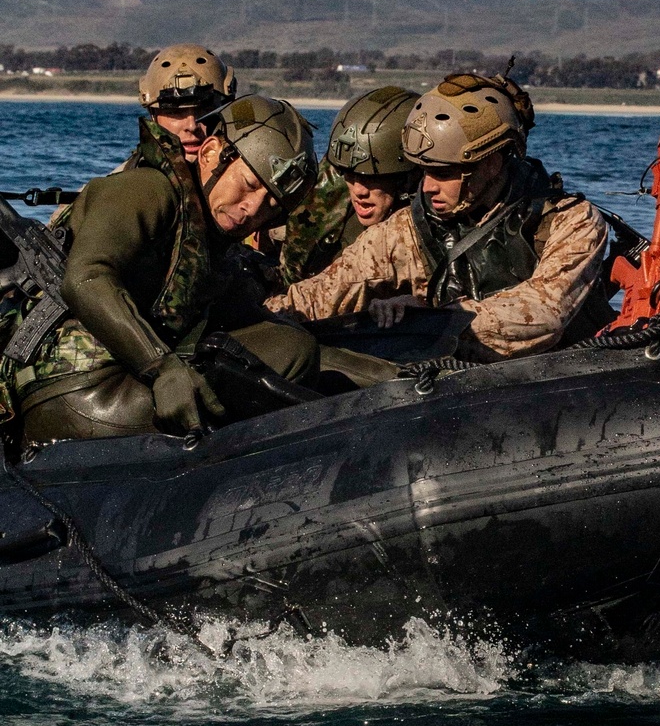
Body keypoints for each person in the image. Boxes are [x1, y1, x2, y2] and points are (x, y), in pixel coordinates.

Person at [6, 95, 319, 444]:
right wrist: (163, 369)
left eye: (270, 206)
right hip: (74, 394)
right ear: (211, 152)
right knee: (291, 352)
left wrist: (380, 375)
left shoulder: (209, 240)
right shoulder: (148, 188)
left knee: (293, 345)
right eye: (247, 185)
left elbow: (257, 324)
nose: (251, 209)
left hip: (108, 384)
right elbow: (85, 277)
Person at [267, 72, 612, 360]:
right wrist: (262, 321)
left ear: (490, 163)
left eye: (444, 173)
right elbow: (328, 291)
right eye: (422, 171)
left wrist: (429, 314)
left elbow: (542, 315)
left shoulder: (569, 222)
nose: (427, 188)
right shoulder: (410, 229)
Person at [279, 86, 419, 284]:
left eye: (372, 178)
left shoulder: (426, 229)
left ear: (406, 175)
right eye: (349, 175)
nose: (359, 191)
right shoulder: (328, 204)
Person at [132, 44, 237, 164]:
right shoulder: (131, 180)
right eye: (175, 112)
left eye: (205, 110)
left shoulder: (250, 176)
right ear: (153, 115)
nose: (191, 126)